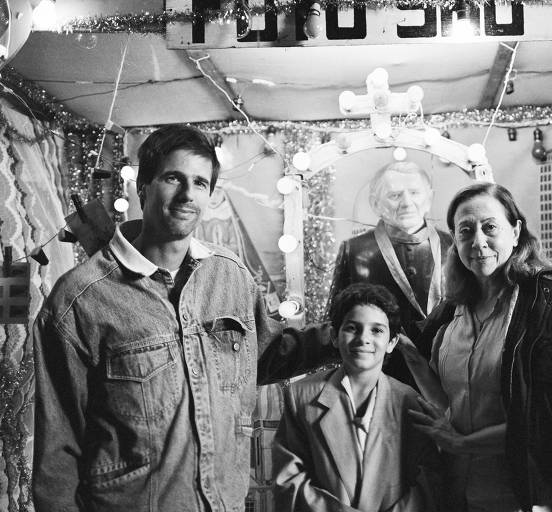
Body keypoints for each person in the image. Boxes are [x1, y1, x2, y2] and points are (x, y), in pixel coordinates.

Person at [32, 124, 276, 511]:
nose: (187, 194)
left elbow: (267, 353)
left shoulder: (230, 276)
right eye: (173, 178)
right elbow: (57, 458)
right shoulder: (79, 300)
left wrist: (340, 338)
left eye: (199, 182)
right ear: (142, 187)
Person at [397, 182, 552, 511]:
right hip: (459, 494)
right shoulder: (451, 312)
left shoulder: (549, 310)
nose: (478, 242)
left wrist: (463, 443)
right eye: (465, 231)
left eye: (490, 227)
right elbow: (433, 384)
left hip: (531, 497)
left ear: (515, 232)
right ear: (455, 240)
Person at [258, 161, 452, 387]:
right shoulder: (356, 249)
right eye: (395, 195)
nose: (407, 203)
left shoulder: (453, 246)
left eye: (415, 193)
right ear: (375, 203)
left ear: (429, 197)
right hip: (379, 374)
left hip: (445, 372)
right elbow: (337, 317)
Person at [272, 283, 437, 512]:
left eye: (377, 330)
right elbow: (288, 480)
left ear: (392, 342)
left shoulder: (409, 402)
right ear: (334, 336)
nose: (364, 338)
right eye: (352, 328)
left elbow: (426, 480)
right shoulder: (300, 397)